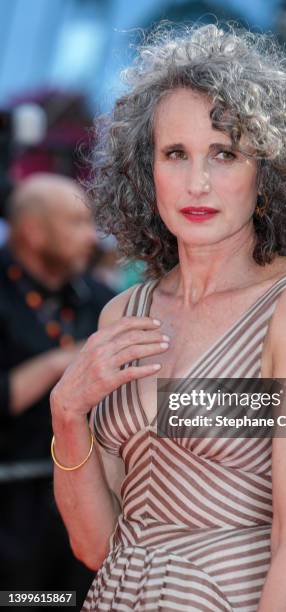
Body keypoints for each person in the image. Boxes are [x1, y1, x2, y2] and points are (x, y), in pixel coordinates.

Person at [50, 25, 286, 611]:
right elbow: (94, 547)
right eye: (175, 154)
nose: (197, 183)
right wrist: (67, 413)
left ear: (266, 173)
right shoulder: (123, 313)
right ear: (148, 171)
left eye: (225, 153)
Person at [0, 173, 114, 601]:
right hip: (11, 508)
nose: (92, 238)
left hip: (84, 503)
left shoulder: (100, 298)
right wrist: (62, 363)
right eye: (76, 223)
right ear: (32, 230)